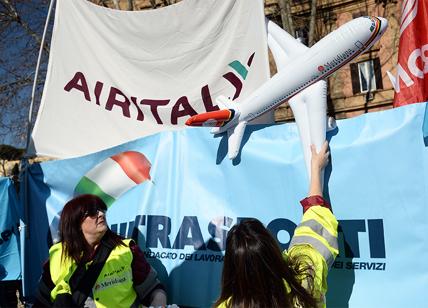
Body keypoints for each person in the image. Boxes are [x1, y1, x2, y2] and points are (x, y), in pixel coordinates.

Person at [215, 141, 338, 308]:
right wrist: (316, 169)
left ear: (231, 268)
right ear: (272, 248)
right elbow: (316, 220)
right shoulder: (304, 277)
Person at [36, 194, 167, 307]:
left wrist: (159, 305)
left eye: (101, 210)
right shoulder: (58, 255)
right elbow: (42, 302)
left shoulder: (127, 249)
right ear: (76, 222)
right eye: (93, 212)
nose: (101, 214)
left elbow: (154, 290)